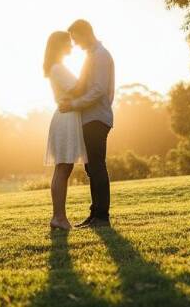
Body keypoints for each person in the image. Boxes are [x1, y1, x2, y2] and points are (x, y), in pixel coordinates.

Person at [59, 19, 114, 228]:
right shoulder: (92, 55)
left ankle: (102, 217)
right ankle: (95, 215)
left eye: (76, 38)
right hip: (90, 117)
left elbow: (98, 90)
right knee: (92, 167)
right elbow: (84, 85)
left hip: (97, 117)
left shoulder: (100, 55)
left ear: (85, 33)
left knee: (97, 166)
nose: (75, 44)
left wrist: (74, 104)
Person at [43, 30, 88, 230]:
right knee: (63, 168)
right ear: (60, 45)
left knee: (64, 168)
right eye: (68, 43)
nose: (71, 46)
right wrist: (89, 73)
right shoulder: (58, 68)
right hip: (66, 119)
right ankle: (58, 217)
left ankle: (58, 217)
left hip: (68, 117)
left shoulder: (58, 67)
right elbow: (78, 89)